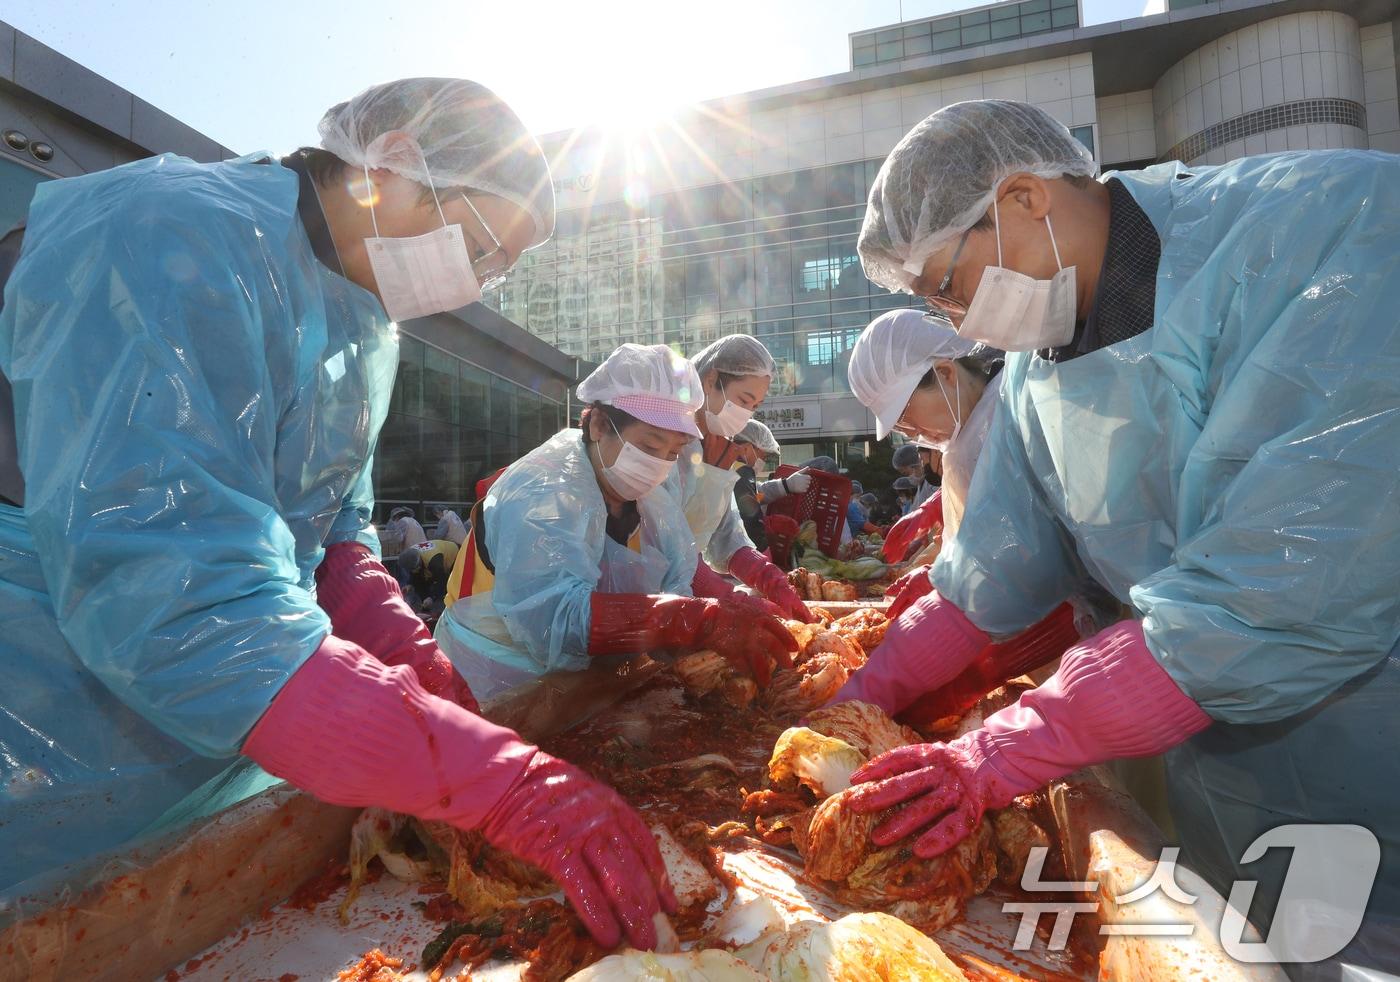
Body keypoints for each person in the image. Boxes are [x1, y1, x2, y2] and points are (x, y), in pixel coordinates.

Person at [0, 78, 677, 951]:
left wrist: (419, 670)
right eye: (476, 244)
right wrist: (500, 785)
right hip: (44, 696)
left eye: (496, 269)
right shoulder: (165, 234)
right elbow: (173, 595)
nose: (474, 280)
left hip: (231, 713)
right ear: (390, 164)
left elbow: (327, 541)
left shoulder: (363, 331)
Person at [840, 99, 1400, 967]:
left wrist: (993, 754)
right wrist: (853, 702)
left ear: (1024, 197)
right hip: (1222, 781)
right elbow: (989, 577)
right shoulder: (1036, 374)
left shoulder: (1339, 231)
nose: (955, 322)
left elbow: (1267, 601)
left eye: (947, 286)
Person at [435, 342, 796, 704]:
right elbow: (557, 621)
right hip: (487, 678)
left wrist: (716, 616)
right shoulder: (544, 489)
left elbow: (680, 576)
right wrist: (696, 620)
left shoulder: (652, 502)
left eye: (673, 452)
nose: (660, 465)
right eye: (650, 446)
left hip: (576, 685)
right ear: (597, 425)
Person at [671, 335, 814, 622]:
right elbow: (664, 544)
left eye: (754, 406)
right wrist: (724, 595)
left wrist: (765, 574)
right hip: (652, 599)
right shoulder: (668, 444)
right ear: (710, 381)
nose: (746, 413)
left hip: (680, 600)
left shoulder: (717, 448)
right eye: (743, 400)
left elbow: (726, 533)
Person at [730, 419, 781, 552]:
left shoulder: (729, 468)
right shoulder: (743, 471)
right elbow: (751, 519)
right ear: (747, 448)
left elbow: (748, 498)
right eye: (762, 456)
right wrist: (763, 551)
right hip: (741, 551)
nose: (762, 461)